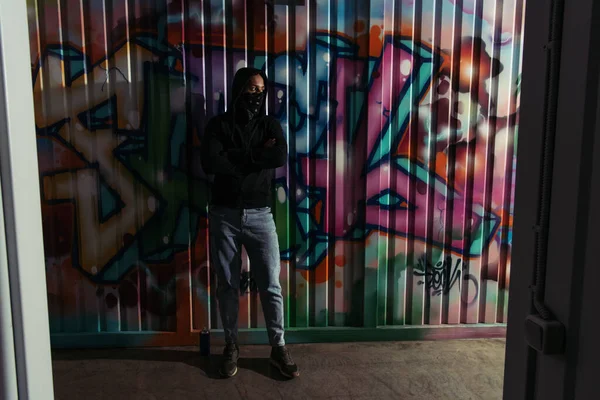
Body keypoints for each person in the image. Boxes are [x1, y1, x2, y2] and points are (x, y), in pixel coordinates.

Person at [200, 67, 299, 379]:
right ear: (238, 89)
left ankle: (278, 348)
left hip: (260, 215)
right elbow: (210, 162)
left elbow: (279, 156)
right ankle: (231, 345)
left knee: (270, 284)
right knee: (227, 285)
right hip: (224, 215)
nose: (255, 95)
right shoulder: (218, 125)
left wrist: (237, 158)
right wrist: (257, 154)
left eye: (260, 89)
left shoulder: (270, 124)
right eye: (250, 89)